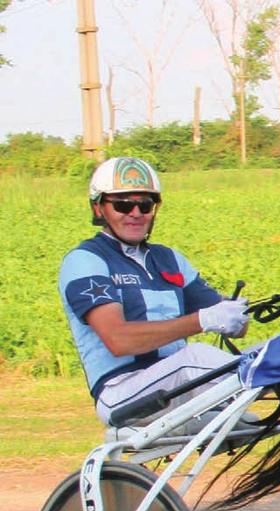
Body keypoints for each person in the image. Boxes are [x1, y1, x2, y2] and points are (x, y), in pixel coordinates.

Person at [59, 156, 250, 427]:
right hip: (122, 392)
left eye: (145, 204)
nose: (135, 213)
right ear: (99, 208)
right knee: (195, 358)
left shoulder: (169, 258)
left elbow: (234, 326)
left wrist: (234, 314)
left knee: (263, 351)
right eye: (123, 204)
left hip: (177, 385)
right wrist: (202, 320)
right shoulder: (85, 260)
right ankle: (277, 379)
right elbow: (118, 340)